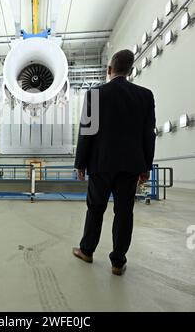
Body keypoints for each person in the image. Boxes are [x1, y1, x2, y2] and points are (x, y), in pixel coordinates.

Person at [73, 49, 156, 276]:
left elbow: (86, 133)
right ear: (129, 71)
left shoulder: (95, 94)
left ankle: (87, 251)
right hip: (131, 165)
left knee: (95, 209)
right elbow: (149, 134)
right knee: (124, 212)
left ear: (109, 70)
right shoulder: (145, 96)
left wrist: (80, 163)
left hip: (101, 164)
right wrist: (146, 166)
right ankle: (118, 262)